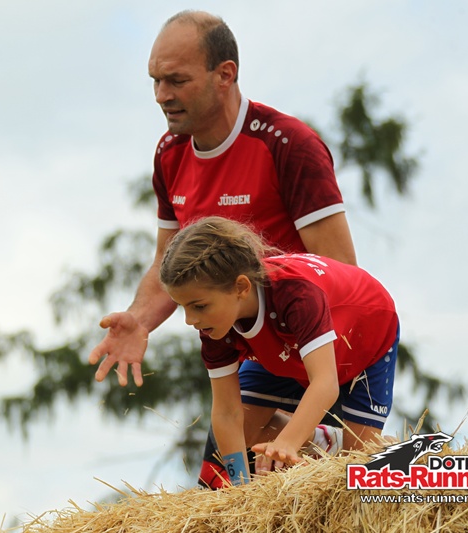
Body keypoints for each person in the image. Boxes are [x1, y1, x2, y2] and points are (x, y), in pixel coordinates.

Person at [88, 10, 357, 487]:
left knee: (299, 479)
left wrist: (310, 372)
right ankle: (322, 445)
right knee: (224, 482)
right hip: (246, 349)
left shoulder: (288, 144)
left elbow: (341, 271)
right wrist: (140, 319)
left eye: (176, 80)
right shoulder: (169, 153)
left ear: (225, 74)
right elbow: (168, 263)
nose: (161, 95)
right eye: (155, 81)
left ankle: (335, 444)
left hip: (308, 338)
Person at [159, 217, 399, 484]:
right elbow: (227, 413)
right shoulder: (213, 327)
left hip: (366, 339)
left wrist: (286, 442)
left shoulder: (296, 294)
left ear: (241, 288)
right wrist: (240, 486)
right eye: (183, 307)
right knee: (243, 429)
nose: (190, 320)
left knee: (354, 469)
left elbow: (325, 383)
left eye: (199, 306)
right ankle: (323, 441)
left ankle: (368, 447)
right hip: (286, 346)